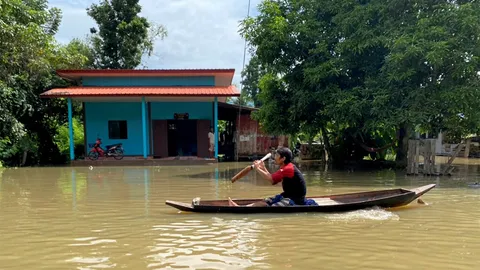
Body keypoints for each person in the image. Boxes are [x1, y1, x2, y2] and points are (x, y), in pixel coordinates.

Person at [228, 147, 308, 207]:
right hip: (287, 195)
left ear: (283, 159)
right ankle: (241, 207)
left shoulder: (288, 169)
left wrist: (257, 168)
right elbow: (273, 180)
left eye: (277, 155)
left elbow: (270, 179)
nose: (275, 157)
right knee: (265, 201)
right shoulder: (285, 167)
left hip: (295, 199)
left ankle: (240, 208)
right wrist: (263, 168)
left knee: (272, 207)